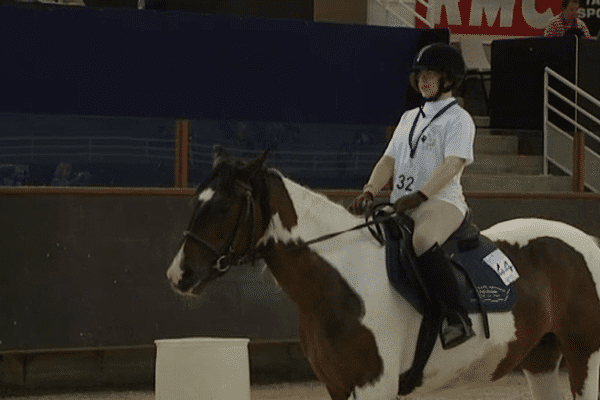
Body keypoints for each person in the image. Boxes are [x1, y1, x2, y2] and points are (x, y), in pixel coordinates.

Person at [349, 42, 476, 349]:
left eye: (430, 74)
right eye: (420, 74)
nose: (423, 80)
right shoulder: (409, 118)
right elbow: (388, 160)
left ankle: (456, 317)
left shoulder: (459, 119)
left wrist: (421, 196)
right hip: (403, 203)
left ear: (449, 78)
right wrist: (369, 189)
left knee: (421, 240)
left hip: (442, 202)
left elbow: (453, 164)